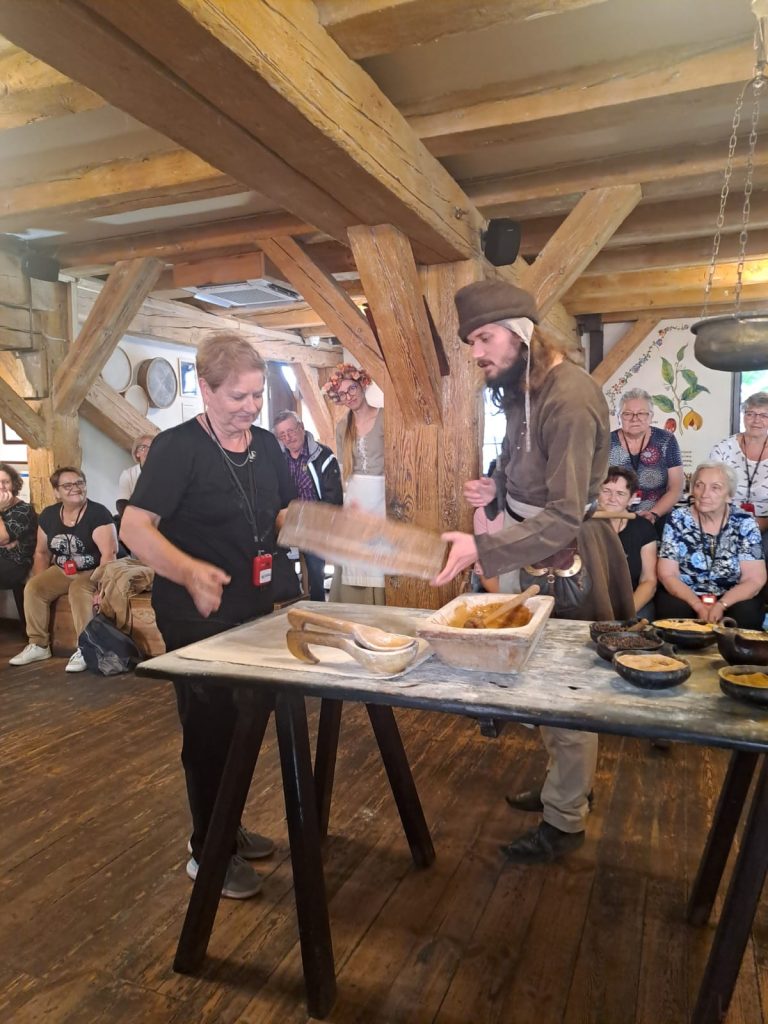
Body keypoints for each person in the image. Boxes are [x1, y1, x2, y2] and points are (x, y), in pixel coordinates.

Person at [434, 280, 634, 865]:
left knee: (565, 689)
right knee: (541, 681)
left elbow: (566, 513)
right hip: (532, 550)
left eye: (484, 338)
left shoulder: (569, 398)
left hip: (567, 555)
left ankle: (566, 817)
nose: (477, 352)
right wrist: (495, 487)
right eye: (472, 342)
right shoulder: (522, 384)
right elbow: (522, 465)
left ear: (520, 333)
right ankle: (562, 788)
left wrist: (482, 548)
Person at [120, 334, 297, 901]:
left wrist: (315, 525)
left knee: (245, 725)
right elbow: (134, 527)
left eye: (257, 394)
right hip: (194, 614)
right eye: (237, 396)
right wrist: (189, 571)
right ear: (205, 388)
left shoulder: (265, 445)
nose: (251, 406)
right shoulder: (177, 448)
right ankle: (207, 850)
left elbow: (281, 512)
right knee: (209, 730)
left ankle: (228, 826)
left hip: (252, 607)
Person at [9, 467, 117, 672]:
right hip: (62, 569)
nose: (75, 488)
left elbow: (109, 555)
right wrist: (40, 579)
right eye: (67, 485)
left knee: (79, 589)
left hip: (95, 569)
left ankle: (86, 648)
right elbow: (42, 553)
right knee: (34, 587)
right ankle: (39, 644)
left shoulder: (98, 513)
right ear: (56, 492)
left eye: (79, 483)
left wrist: (102, 588)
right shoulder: (49, 515)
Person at [656, 461, 766, 628]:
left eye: (715, 488)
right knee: (672, 609)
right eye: (699, 486)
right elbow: (667, 574)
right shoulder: (678, 518)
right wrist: (697, 605)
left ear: (729, 495)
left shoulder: (745, 522)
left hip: (731, 595)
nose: (705, 494)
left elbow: (754, 578)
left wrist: (722, 605)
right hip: (687, 594)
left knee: (746, 613)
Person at [322, 363, 386, 605]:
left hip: (382, 496)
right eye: (343, 394)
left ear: (362, 385)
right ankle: (357, 605)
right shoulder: (342, 427)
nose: (349, 396)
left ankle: (380, 604)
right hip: (356, 497)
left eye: (352, 389)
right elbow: (342, 471)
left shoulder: (384, 418)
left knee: (378, 552)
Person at [272, 410, 343, 601]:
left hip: (315, 522)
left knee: (314, 569)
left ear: (301, 428)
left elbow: (334, 499)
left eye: (291, 431)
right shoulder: (278, 459)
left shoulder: (323, 456)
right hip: (287, 521)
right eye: (282, 434)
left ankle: (315, 603)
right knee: (276, 559)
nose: (288, 438)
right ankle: (288, 601)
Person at [609, 388, 684, 531]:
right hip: (614, 518)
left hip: (657, 517)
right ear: (618, 417)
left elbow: (676, 487)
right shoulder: (605, 443)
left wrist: (653, 514)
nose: (635, 419)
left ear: (651, 416)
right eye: (627, 414)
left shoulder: (666, 440)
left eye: (642, 413)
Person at [709, 391, 768, 557]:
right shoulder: (723, 449)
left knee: (760, 552)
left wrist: (761, 524)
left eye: (764, 415)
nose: (756, 420)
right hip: (726, 520)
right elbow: (710, 492)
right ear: (743, 416)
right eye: (751, 414)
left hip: (766, 522)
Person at [597, 466, 658, 619]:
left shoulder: (643, 528)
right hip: (592, 603)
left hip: (632, 602)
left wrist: (626, 612)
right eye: (606, 491)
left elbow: (649, 581)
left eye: (620, 493)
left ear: (631, 498)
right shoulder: (584, 525)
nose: (612, 499)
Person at [0, 462, 37, 590]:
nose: (1, 486)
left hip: (15, 563)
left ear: (14, 484)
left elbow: (2, 539)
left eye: (6, 482)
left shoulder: (24, 509)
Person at [116, 434, 154, 516]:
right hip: (134, 517)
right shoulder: (128, 474)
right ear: (137, 453)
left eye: (153, 447)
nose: (149, 451)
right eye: (144, 447)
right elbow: (121, 503)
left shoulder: (164, 473)